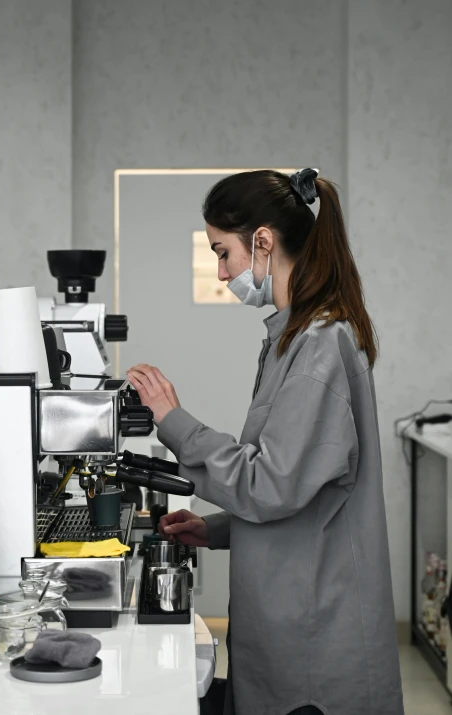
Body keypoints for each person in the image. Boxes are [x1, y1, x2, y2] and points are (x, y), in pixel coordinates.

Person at [127, 169, 404, 715]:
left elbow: (269, 483)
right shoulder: (293, 338)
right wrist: (218, 529)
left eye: (223, 252)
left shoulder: (320, 345)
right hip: (294, 620)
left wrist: (173, 419)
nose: (223, 271)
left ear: (263, 241)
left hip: (314, 642)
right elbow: (304, 488)